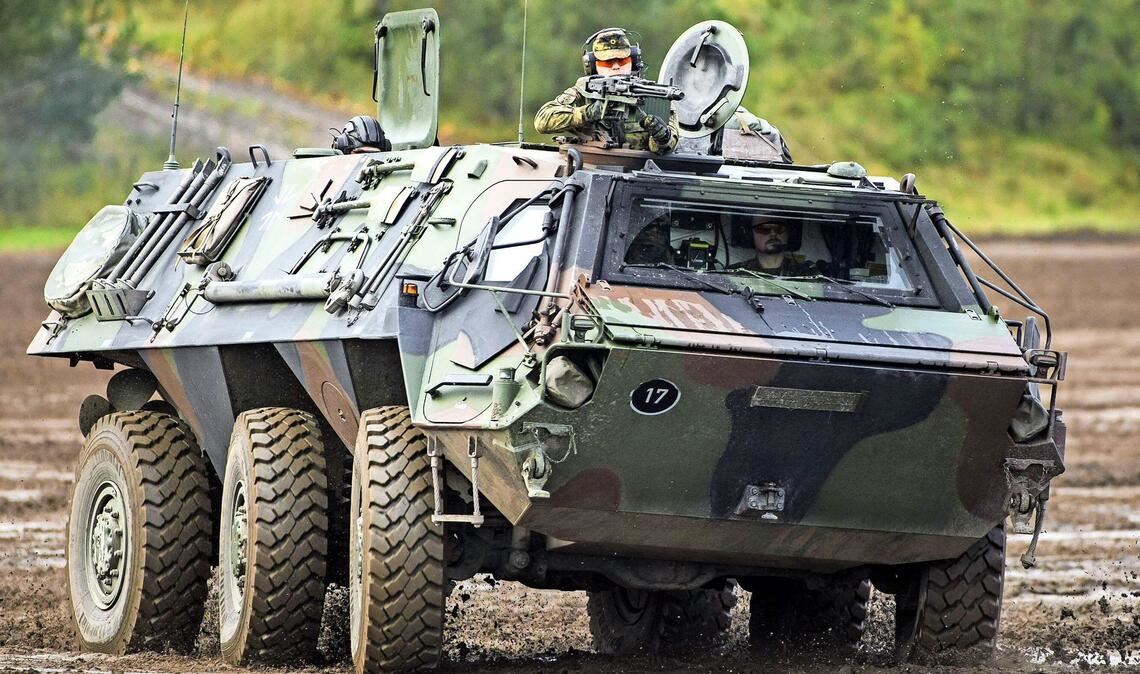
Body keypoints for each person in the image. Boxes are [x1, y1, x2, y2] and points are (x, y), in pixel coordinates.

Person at [534, 28, 679, 154]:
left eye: (622, 61)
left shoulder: (652, 97)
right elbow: (542, 121)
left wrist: (661, 136)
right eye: (607, 62)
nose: (616, 66)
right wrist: (588, 113)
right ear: (592, 65)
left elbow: (665, 149)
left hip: (635, 168)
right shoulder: (583, 93)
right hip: (587, 165)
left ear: (634, 62)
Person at [732, 218, 814, 276]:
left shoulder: (808, 273)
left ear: (788, 233)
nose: (773, 234)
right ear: (750, 235)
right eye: (764, 229)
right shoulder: (735, 273)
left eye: (779, 228)